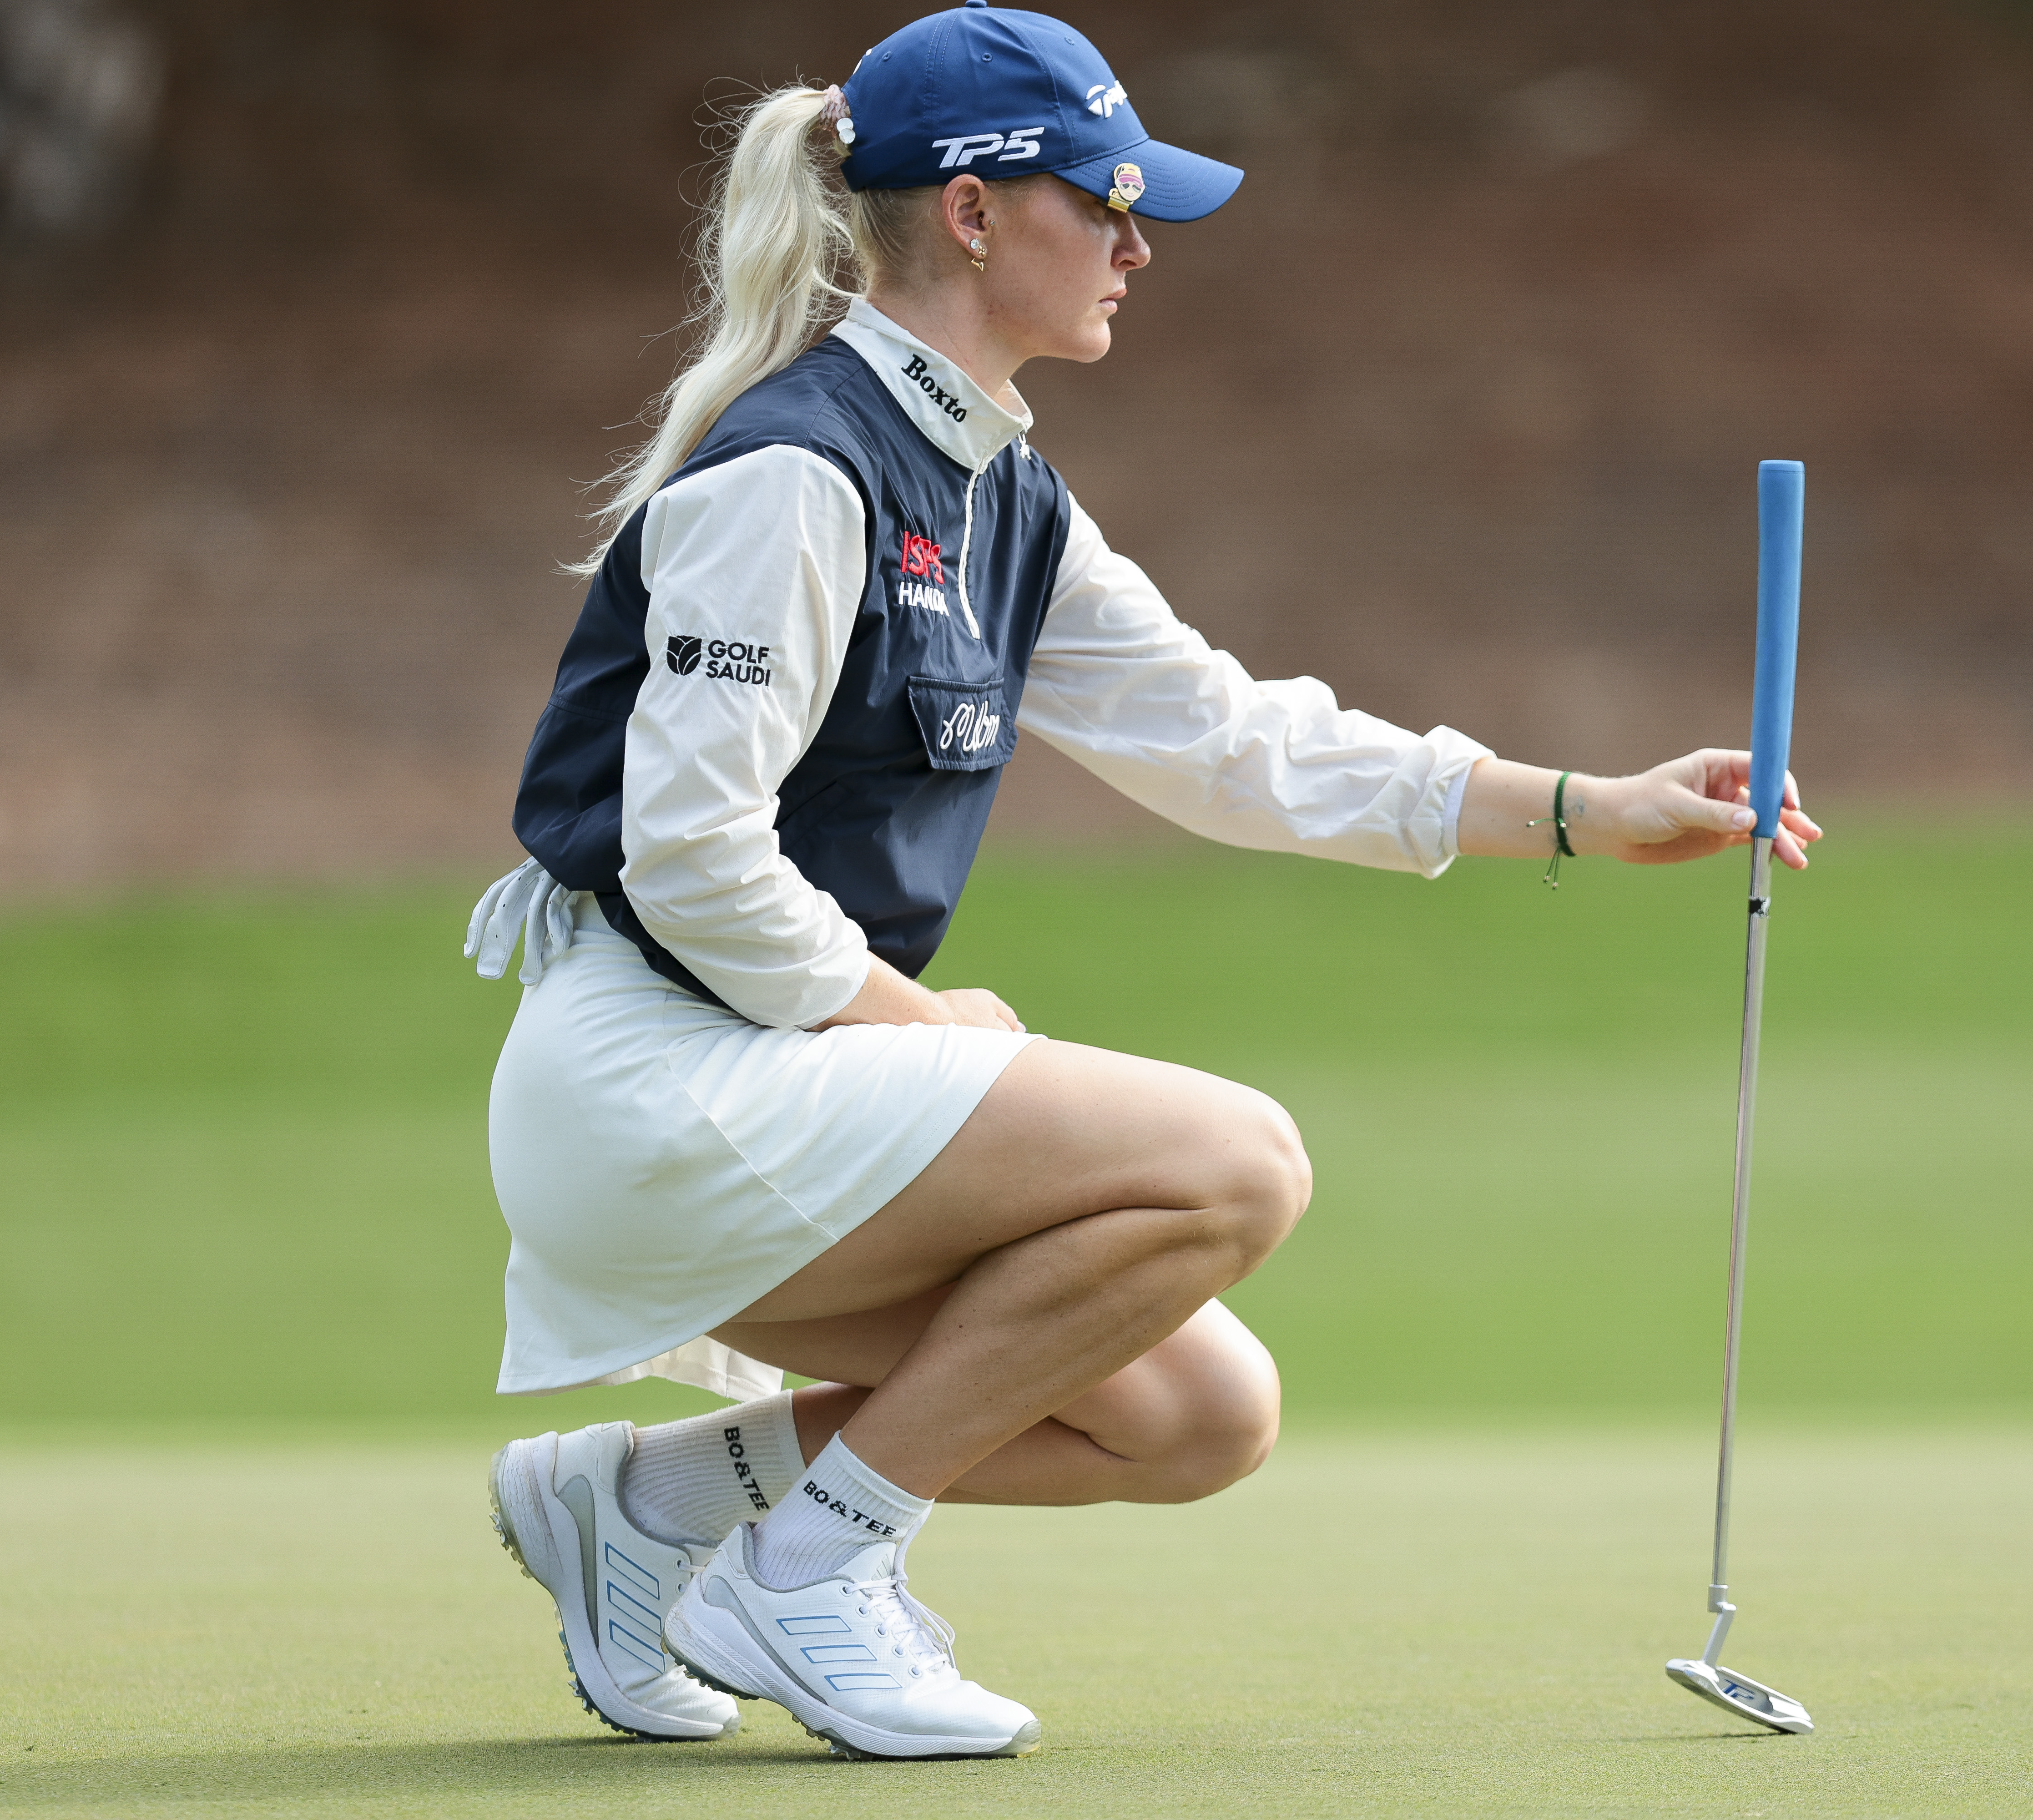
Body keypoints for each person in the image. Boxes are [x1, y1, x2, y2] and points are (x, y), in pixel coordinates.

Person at [464, 0, 1820, 1763]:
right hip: (646, 1084)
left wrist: (1576, 807)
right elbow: (694, 856)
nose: (1136, 245)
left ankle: (642, 1512)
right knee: (1240, 1160)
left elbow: (1233, 738)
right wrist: (908, 1018)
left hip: (776, 1080)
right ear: (967, 211)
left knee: (1198, 1407)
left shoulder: (1002, 490)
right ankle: (808, 1573)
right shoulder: (802, 466)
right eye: (1103, 202)